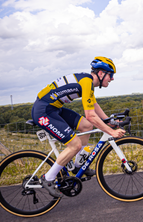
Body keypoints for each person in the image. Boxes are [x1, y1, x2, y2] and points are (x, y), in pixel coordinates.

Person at [32, 56, 125, 197]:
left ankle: (78, 166)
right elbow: (91, 115)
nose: (111, 79)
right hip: (43, 111)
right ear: (101, 73)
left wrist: (107, 120)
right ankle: (48, 178)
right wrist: (111, 131)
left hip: (54, 108)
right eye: (110, 75)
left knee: (86, 126)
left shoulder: (87, 81)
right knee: (74, 145)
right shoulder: (86, 82)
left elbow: (93, 105)